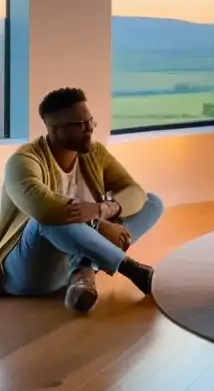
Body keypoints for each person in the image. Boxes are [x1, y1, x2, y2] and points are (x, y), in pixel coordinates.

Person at [0, 87, 164, 314]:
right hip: (25, 273)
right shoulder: (22, 163)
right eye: (79, 125)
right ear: (54, 129)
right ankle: (131, 269)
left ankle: (84, 271)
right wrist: (98, 224)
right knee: (46, 220)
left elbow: (133, 191)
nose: (88, 130)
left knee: (152, 202)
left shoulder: (94, 153)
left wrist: (104, 209)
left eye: (90, 122)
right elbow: (43, 208)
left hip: (70, 258)